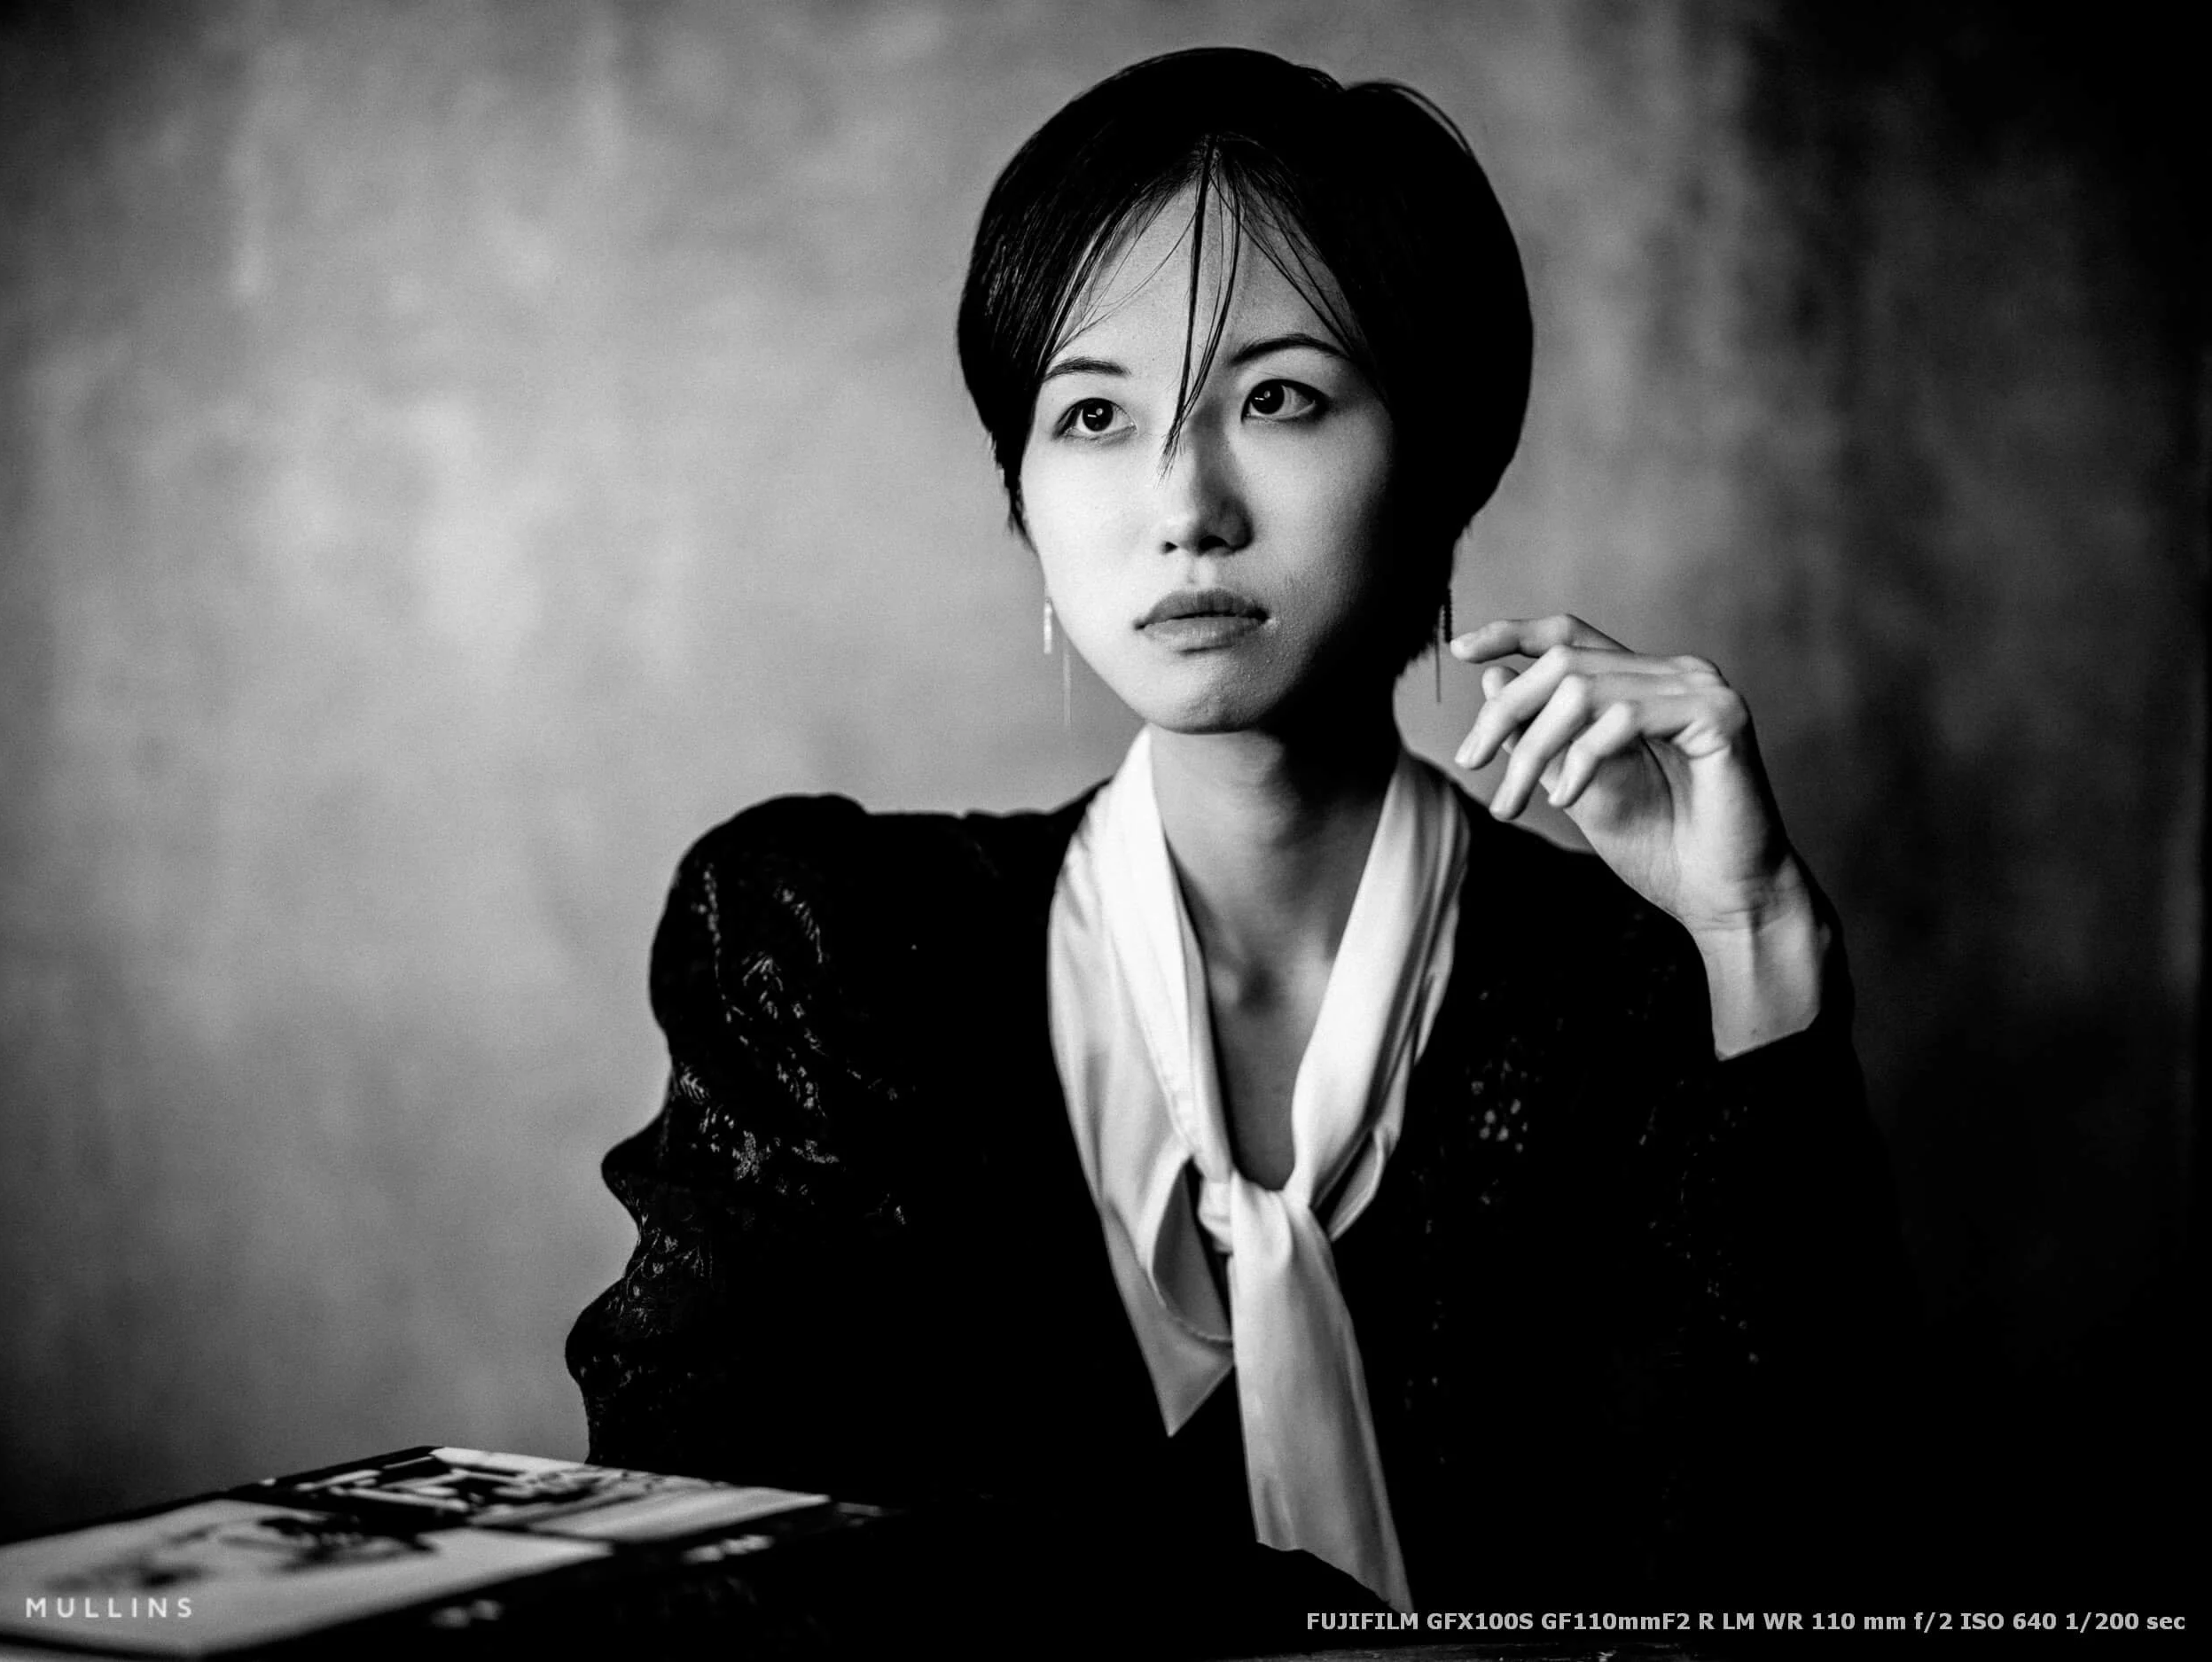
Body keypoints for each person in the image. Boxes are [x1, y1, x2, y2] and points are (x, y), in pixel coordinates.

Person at [567, 45, 1909, 1648]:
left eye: (1278, 396)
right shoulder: (830, 949)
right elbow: (711, 1555)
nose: (1181, 499)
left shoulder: (1632, 989)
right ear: (1028, 508)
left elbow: (1802, 1574)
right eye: (1091, 414)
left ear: (1440, 456)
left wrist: (1755, 937)